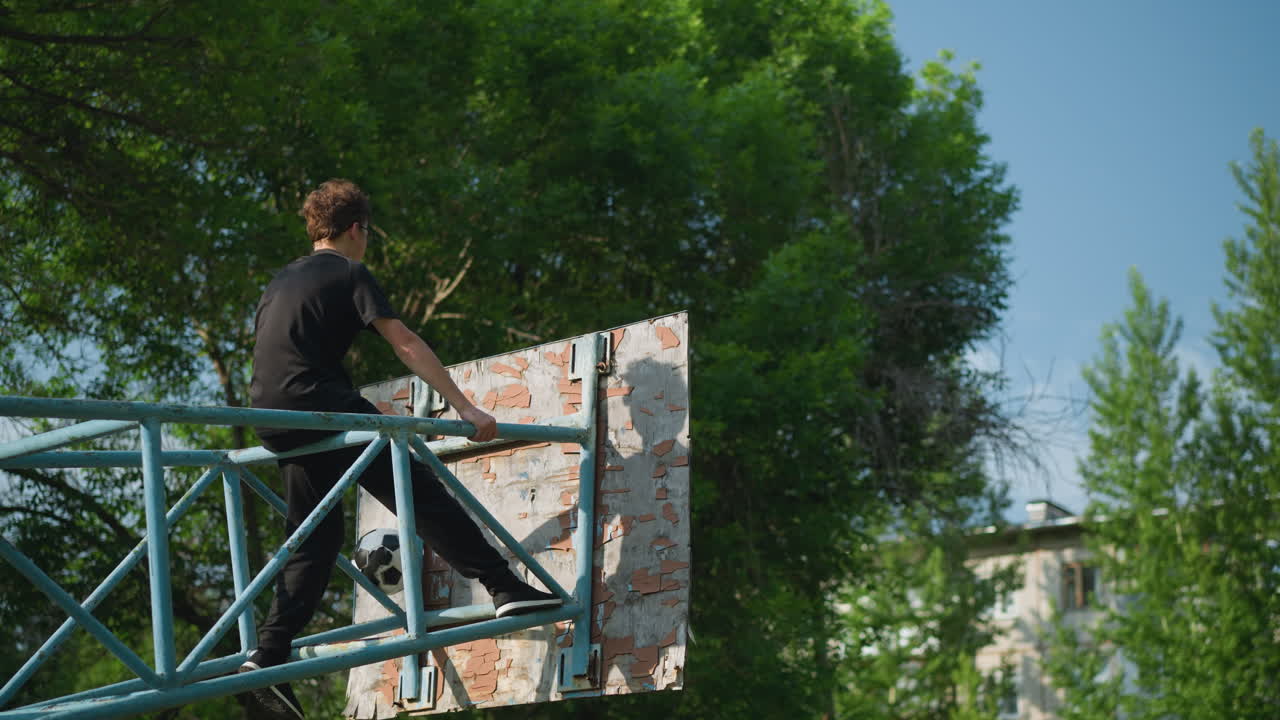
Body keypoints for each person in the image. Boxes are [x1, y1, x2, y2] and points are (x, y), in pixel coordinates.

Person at [238, 179, 560, 719]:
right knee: (418, 490)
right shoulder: (349, 272)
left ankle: (265, 655)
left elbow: (290, 355)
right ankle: (505, 587)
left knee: (316, 536)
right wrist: (468, 409)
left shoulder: (280, 279)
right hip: (319, 406)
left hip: (272, 415)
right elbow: (404, 341)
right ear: (357, 229)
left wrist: (362, 406)